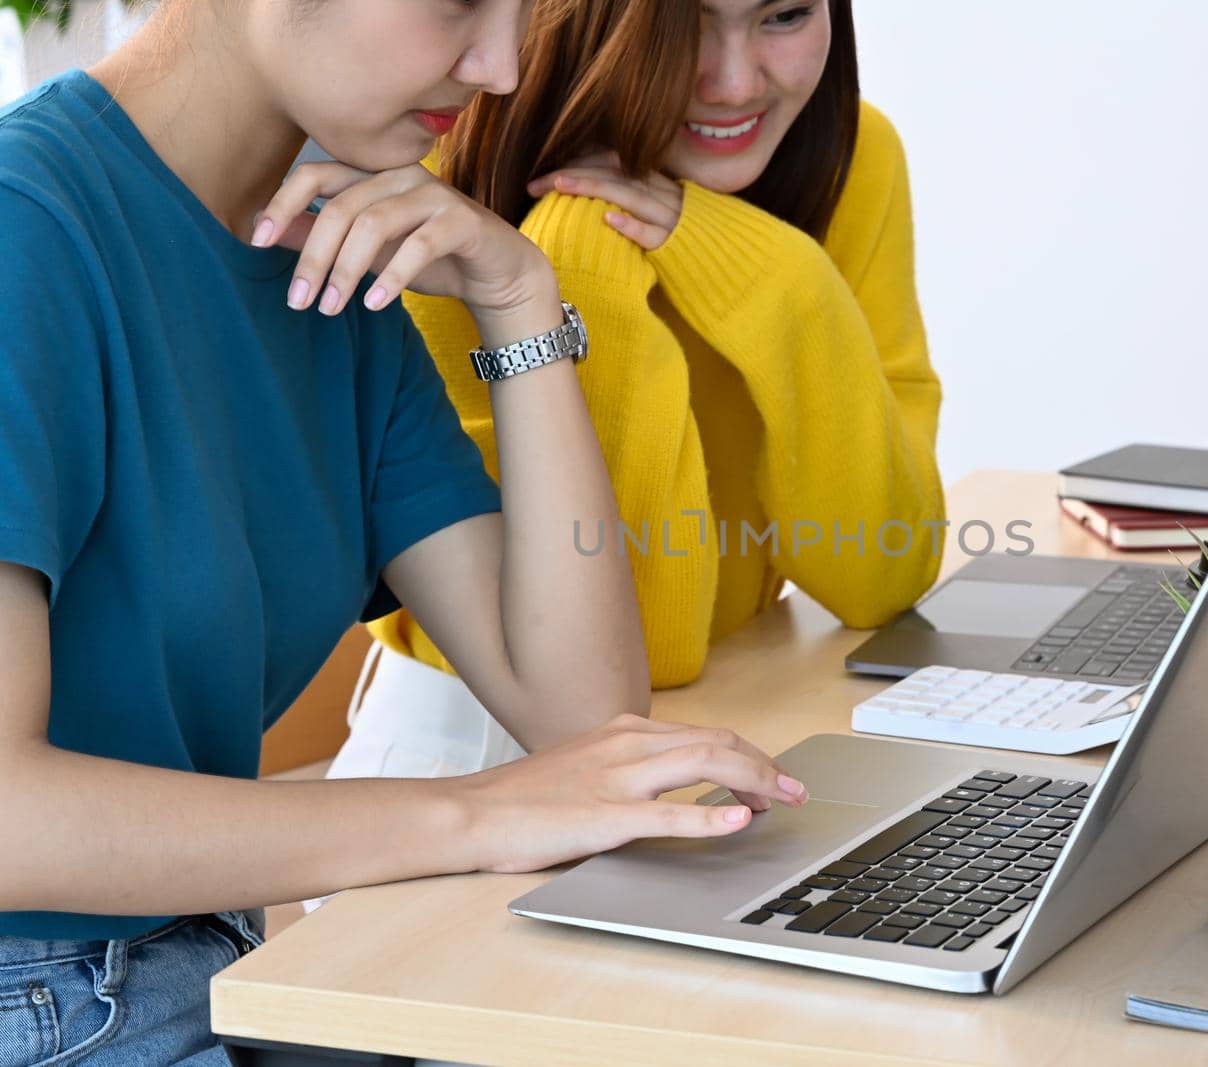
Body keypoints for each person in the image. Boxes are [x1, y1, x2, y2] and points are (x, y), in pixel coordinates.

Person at [0, 0, 803, 1058]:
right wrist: (474, 812)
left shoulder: (331, 248)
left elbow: (582, 713)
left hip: (221, 965)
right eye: (459, 3)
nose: (503, 67)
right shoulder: (27, 233)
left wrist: (517, 297)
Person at [335, 0, 944, 781]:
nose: (731, 84)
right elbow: (634, 662)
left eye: (785, 15)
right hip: (471, 751)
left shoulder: (853, 159)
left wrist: (778, 280)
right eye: (683, 24)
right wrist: (582, 260)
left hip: (741, 707)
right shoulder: (434, 203)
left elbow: (884, 572)